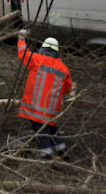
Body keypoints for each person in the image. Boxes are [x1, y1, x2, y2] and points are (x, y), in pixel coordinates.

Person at [17, 31, 72, 159]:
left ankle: (46, 156)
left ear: (43, 48)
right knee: (52, 129)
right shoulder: (63, 68)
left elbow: (22, 52)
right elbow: (67, 88)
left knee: (41, 132)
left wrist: (21, 38)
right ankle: (63, 152)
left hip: (35, 108)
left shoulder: (36, 59)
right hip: (52, 111)